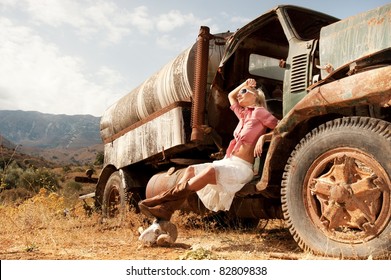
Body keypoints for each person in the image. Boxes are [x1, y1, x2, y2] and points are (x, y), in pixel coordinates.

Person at [138, 78, 279, 221]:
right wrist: (244, 85)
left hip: (242, 168)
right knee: (190, 170)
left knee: (210, 171)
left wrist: (264, 137)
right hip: (228, 162)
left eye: (243, 92)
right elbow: (231, 96)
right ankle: (165, 209)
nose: (239, 95)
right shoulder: (243, 115)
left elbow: (282, 128)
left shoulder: (260, 112)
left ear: (255, 95)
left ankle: (159, 202)